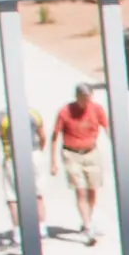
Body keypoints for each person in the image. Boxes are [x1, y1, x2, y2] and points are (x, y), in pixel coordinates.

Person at [49, 83, 111, 244]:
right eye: (83, 99)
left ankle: (88, 220)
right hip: (71, 154)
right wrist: (53, 162)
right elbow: (55, 136)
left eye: (89, 98)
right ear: (77, 97)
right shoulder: (65, 112)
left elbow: (107, 127)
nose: (86, 102)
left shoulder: (96, 109)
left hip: (91, 153)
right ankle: (86, 223)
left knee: (92, 189)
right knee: (80, 190)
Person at [0, 105, 45, 232]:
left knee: (12, 196)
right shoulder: (33, 113)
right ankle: (42, 227)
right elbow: (42, 136)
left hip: (11, 156)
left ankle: (18, 231)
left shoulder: (1, 117)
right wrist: (39, 151)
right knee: (37, 193)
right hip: (33, 154)